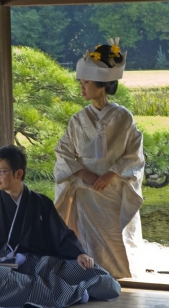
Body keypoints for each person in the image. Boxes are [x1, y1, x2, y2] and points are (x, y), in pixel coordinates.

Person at [0, 145, 120, 308]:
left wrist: (79, 253)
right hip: (0, 269)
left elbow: (60, 234)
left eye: (2, 172)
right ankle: (72, 294)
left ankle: (42, 294)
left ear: (18, 173)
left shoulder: (40, 203)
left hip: (38, 266)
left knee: (100, 277)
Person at [54, 39, 144, 279]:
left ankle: (118, 275)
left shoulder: (123, 117)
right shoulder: (77, 120)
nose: (82, 88)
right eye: (81, 83)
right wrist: (85, 173)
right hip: (87, 191)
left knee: (115, 234)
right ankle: (91, 275)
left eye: (87, 83)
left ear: (102, 85)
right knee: (87, 236)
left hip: (113, 188)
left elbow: (134, 152)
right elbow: (63, 152)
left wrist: (111, 173)